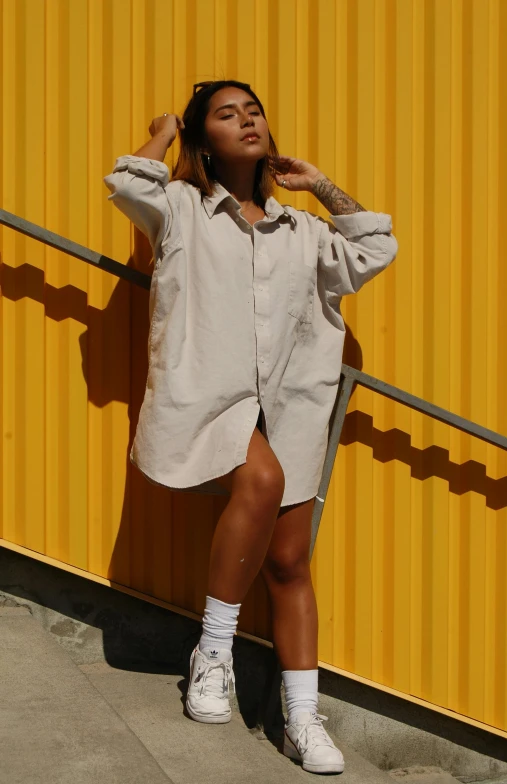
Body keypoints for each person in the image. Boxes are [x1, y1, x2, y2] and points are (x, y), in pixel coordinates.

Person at [103, 79, 398, 775]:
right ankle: (212, 651)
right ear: (206, 137)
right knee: (260, 478)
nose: (247, 121)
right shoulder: (180, 209)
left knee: (290, 564)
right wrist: (166, 130)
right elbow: (125, 181)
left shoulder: (302, 233)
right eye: (227, 114)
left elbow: (373, 249)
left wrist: (319, 185)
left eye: (254, 110)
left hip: (291, 406)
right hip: (211, 400)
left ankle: (300, 717)